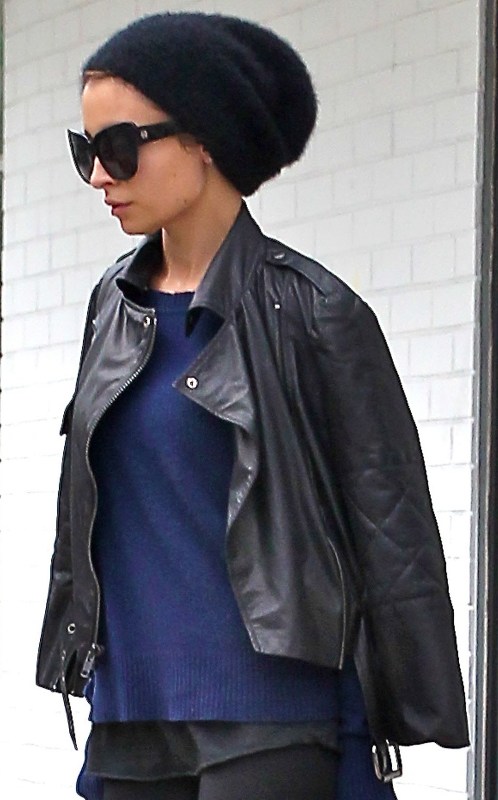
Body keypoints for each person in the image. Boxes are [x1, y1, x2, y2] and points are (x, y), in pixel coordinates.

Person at [36, 11, 469, 800]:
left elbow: (389, 534)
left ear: (203, 139)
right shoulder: (112, 306)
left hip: (271, 726)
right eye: (85, 151)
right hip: (128, 724)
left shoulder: (313, 310)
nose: (99, 176)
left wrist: (379, 723)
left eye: (120, 148)